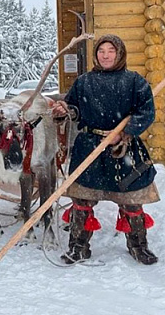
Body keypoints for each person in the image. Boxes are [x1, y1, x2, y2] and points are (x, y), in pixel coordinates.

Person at [52, 34, 159, 265]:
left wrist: (124, 132)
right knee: (82, 200)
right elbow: (75, 109)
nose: (106, 55)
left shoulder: (134, 81)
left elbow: (146, 112)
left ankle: (138, 245)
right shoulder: (84, 82)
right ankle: (78, 247)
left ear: (119, 54)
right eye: (102, 51)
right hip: (90, 146)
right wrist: (65, 111)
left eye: (111, 50)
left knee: (131, 201)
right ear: (96, 54)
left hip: (123, 149)